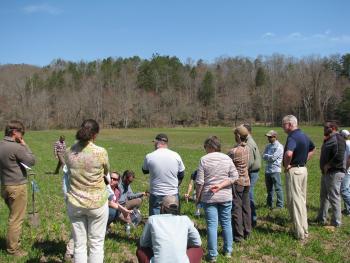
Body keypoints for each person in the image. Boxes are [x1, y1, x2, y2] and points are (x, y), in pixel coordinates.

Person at [65, 119, 109, 263]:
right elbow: (106, 171)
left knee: (79, 244)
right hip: (97, 203)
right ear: (95, 135)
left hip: (75, 202)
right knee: (96, 243)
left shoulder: (69, 152)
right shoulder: (100, 152)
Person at [195, 136, 238, 262]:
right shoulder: (227, 158)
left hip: (209, 198)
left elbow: (199, 182)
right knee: (226, 223)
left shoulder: (203, 160)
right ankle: (228, 250)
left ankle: (213, 254)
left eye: (205, 147)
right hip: (225, 196)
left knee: (212, 225)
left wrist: (198, 197)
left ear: (210, 147)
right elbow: (235, 176)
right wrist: (221, 185)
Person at [0, 120, 35, 257]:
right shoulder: (16, 147)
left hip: (4, 185)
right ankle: (13, 250)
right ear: (15, 132)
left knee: (13, 217)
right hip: (17, 187)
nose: (22, 136)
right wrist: (25, 145)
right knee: (16, 219)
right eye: (22, 133)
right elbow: (32, 161)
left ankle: (13, 242)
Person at [137, 195, 203, 263]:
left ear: (162, 207)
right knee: (198, 249)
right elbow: (197, 242)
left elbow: (143, 243)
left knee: (141, 249)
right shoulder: (185, 219)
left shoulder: (153, 219)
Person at [282, 115, 315, 240]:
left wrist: (287, 165)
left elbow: (289, 153)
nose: (282, 126)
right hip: (303, 170)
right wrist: (304, 160)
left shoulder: (292, 137)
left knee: (295, 202)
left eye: (283, 124)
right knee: (301, 201)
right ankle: (305, 229)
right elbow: (313, 148)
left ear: (290, 124)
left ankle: (299, 233)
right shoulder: (304, 135)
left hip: (294, 171)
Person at [142, 133, 185, 216]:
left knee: (156, 219)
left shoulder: (149, 156)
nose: (154, 144)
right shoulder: (176, 155)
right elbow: (181, 174)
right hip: (172, 193)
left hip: (156, 193)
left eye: (154, 142)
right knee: (173, 219)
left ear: (158, 142)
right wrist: (176, 184)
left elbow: (144, 170)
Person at [316, 121, 346, 227]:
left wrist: (329, 165)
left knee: (334, 197)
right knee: (323, 196)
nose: (324, 129)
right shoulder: (329, 139)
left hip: (335, 172)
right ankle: (321, 218)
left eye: (326, 127)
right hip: (327, 173)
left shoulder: (338, 138)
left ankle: (336, 222)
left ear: (333, 128)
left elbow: (340, 155)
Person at [225, 125, 251, 242]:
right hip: (246, 181)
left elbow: (225, 161)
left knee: (236, 209)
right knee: (246, 207)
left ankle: (238, 235)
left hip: (237, 183)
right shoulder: (248, 149)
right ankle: (247, 231)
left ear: (239, 136)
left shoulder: (233, 151)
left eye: (235, 134)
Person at [243, 123, 261, 227]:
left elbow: (248, 162)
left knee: (248, 195)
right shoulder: (249, 140)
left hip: (251, 172)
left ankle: (252, 219)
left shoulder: (248, 143)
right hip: (252, 171)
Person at [262, 130, 284, 209]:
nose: (268, 138)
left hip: (275, 170)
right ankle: (269, 204)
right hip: (267, 170)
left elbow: (273, 158)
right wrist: (268, 156)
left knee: (278, 189)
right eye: (268, 137)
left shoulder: (279, 146)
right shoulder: (267, 146)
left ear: (275, 137)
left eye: (270, 137)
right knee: (269, 189)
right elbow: (263, 156)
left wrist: (267, 156)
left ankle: (280, 206)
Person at [340, 129, 350, 216]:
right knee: (347, 190)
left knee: (343, 191)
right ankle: (348, 210)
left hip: (347, 171)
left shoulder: (346, 144)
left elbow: (349, 158)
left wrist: (345, 169)